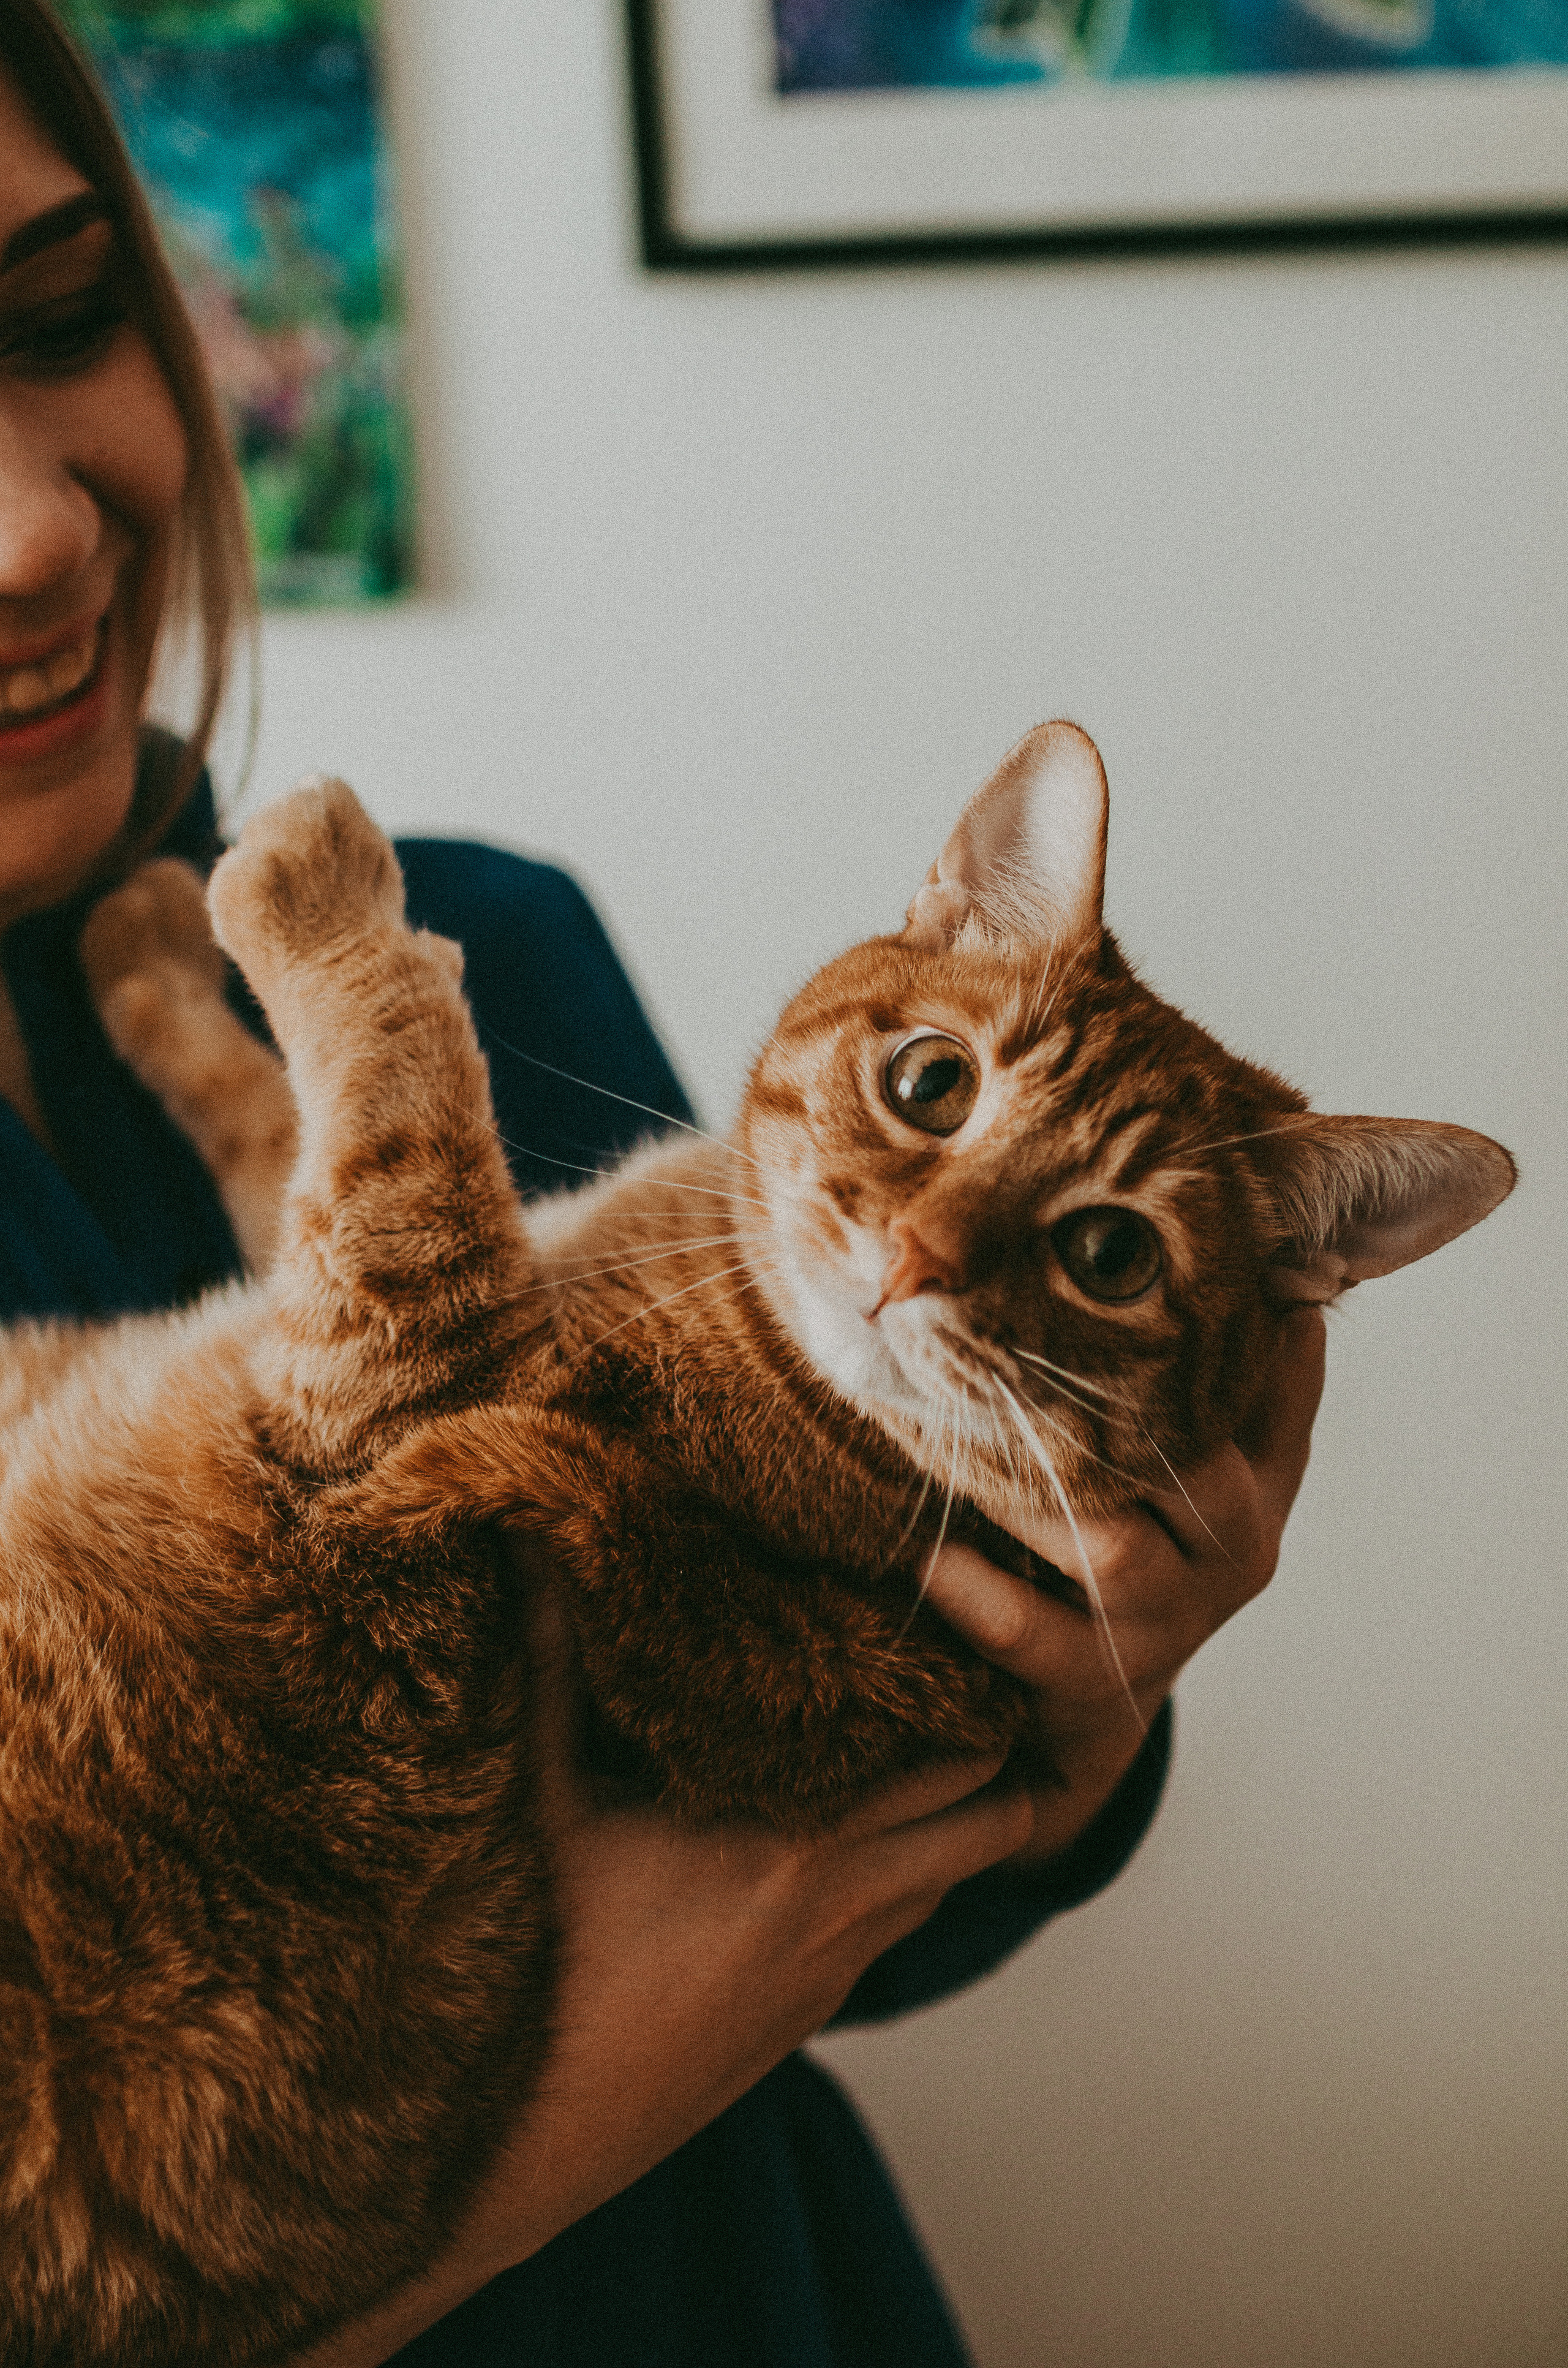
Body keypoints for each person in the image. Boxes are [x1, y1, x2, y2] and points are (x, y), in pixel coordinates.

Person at [0, 7, 1327, 2361]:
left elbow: (834, 1872)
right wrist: (550, 2123)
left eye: (61, 315)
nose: (31, 526)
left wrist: (1091, 1710)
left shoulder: (477, 940)